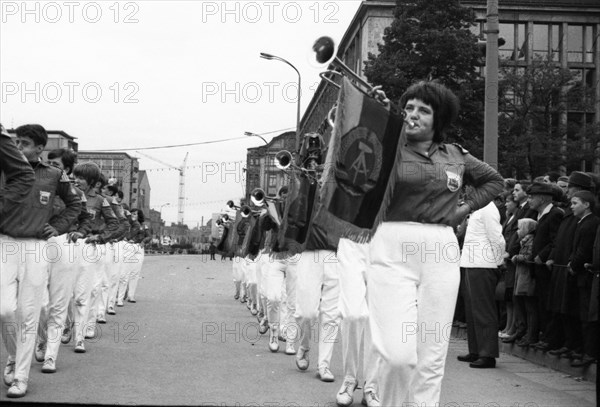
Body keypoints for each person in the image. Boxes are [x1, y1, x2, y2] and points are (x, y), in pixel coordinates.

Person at [367, 81, 504, 406]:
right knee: (398, 355)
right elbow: (353, 172)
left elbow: (494, 181)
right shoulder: (387, 145)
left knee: (430, 357)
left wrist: (464, 209)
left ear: (438, 119)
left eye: (423, 110)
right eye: (409, 107)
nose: (413, 114)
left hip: (441, 250)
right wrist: (374, 119)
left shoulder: (456, 155)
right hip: (392, 246)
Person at [1, 124, 81, 398]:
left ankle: (21, 377)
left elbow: (75, 204)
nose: (19, 148)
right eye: (16, 142)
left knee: (28, 312)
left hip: (36, 246)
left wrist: (57, 227)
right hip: (6, 243)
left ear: (39, 148)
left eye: (24, 143)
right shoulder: (6, 169)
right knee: (4, 311)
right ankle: (14, 355)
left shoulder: (55, 175)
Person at [459, 200, 506, 368]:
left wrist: (499, 262)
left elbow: (497, 238)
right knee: (472, 311)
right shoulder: (477, 207)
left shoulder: (488, 207)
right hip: (470, 263)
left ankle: (488, 354)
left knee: (483, 311)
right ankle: (476, 350)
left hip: (484, 264)